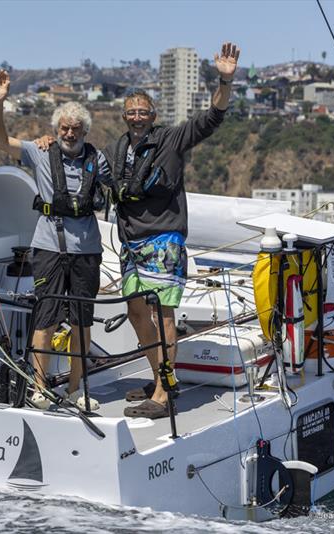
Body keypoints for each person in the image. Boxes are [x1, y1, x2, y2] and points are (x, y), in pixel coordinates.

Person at [111, 42, 241, 419]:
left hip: (164, 241)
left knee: (163, 316)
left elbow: (211, 119)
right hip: (131, 244)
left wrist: (225, 81)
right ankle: (160, 380)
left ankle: (164, 395)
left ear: (153, 115)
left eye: (142, 112)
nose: (136, 117)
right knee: (136, 314)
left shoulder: (171, 140)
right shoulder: (118, 149)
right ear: (124, 116)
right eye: (130, 112)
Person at [0, 69, 112, 411]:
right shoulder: (40, 152)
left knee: (81, 321)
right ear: (55, 130)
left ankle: (77, 389)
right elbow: (1, 142)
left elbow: (121, 181)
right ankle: (40, 388)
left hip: (86, 250)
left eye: (75, 129)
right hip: (48, 246)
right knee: (45, 315)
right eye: (64, 128)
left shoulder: (97, 159)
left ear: (85, 131)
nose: (69, 133)